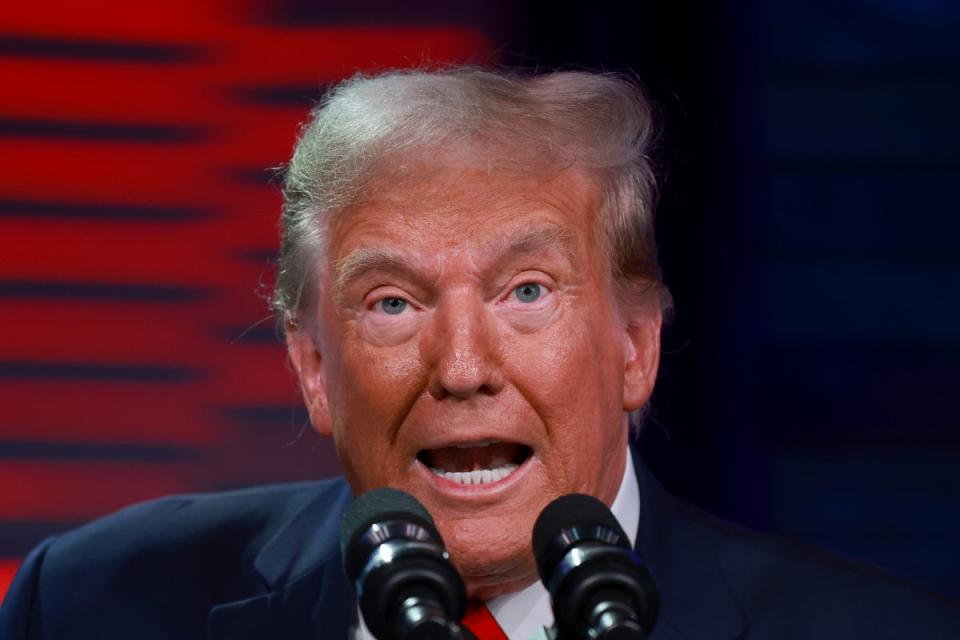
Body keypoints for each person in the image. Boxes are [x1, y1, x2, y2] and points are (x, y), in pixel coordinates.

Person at [1, 67, 957, 639]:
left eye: (526, 292)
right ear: (314, 369)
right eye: (391, 303)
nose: (462, 366)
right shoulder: (91, 606)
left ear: (634, 344)